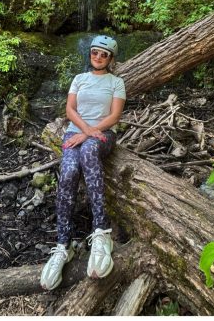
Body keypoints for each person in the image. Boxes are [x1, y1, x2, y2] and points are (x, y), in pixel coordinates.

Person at [40, 35, 126, 291]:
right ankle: (62, 247)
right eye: (95, 53)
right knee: (68, 174)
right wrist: (83, 130)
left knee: (88, 151)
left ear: (111, 59)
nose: (98, 57)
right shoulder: (79, 79)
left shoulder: (116, 82)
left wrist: (88, 132)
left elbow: (114, 116)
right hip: (76, 132)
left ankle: (102, 232)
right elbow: (70, 110)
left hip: (103, 134)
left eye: (104, 54)